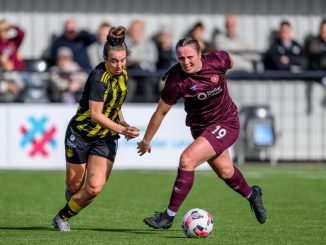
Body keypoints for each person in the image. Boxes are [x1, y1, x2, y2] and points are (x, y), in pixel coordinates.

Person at [137, 37, 267, 229]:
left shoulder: (217, 61)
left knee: (187, 160)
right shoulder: (176, 80)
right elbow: (161, 111)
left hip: (227, 122)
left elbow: (229, 61)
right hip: (200, 128)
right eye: (181, 58)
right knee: (226, 171)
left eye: (190, 57)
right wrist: (146, 139)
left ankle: (168, 217)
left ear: (200, 54)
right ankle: (252, 194)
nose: (186, 62)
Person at [52, 26, 140, 232]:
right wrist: (122, 130)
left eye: (123, 60)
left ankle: (61, 217)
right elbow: (96, 115)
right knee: (75, 187)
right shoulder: (98, 78)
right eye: (114, 61)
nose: (119, 65)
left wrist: (124, 123)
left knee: (94, 188)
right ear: (105, 59)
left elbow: (114, 106)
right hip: (81, 134)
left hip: (105, 138)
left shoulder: (124, 75)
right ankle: (73, 193)